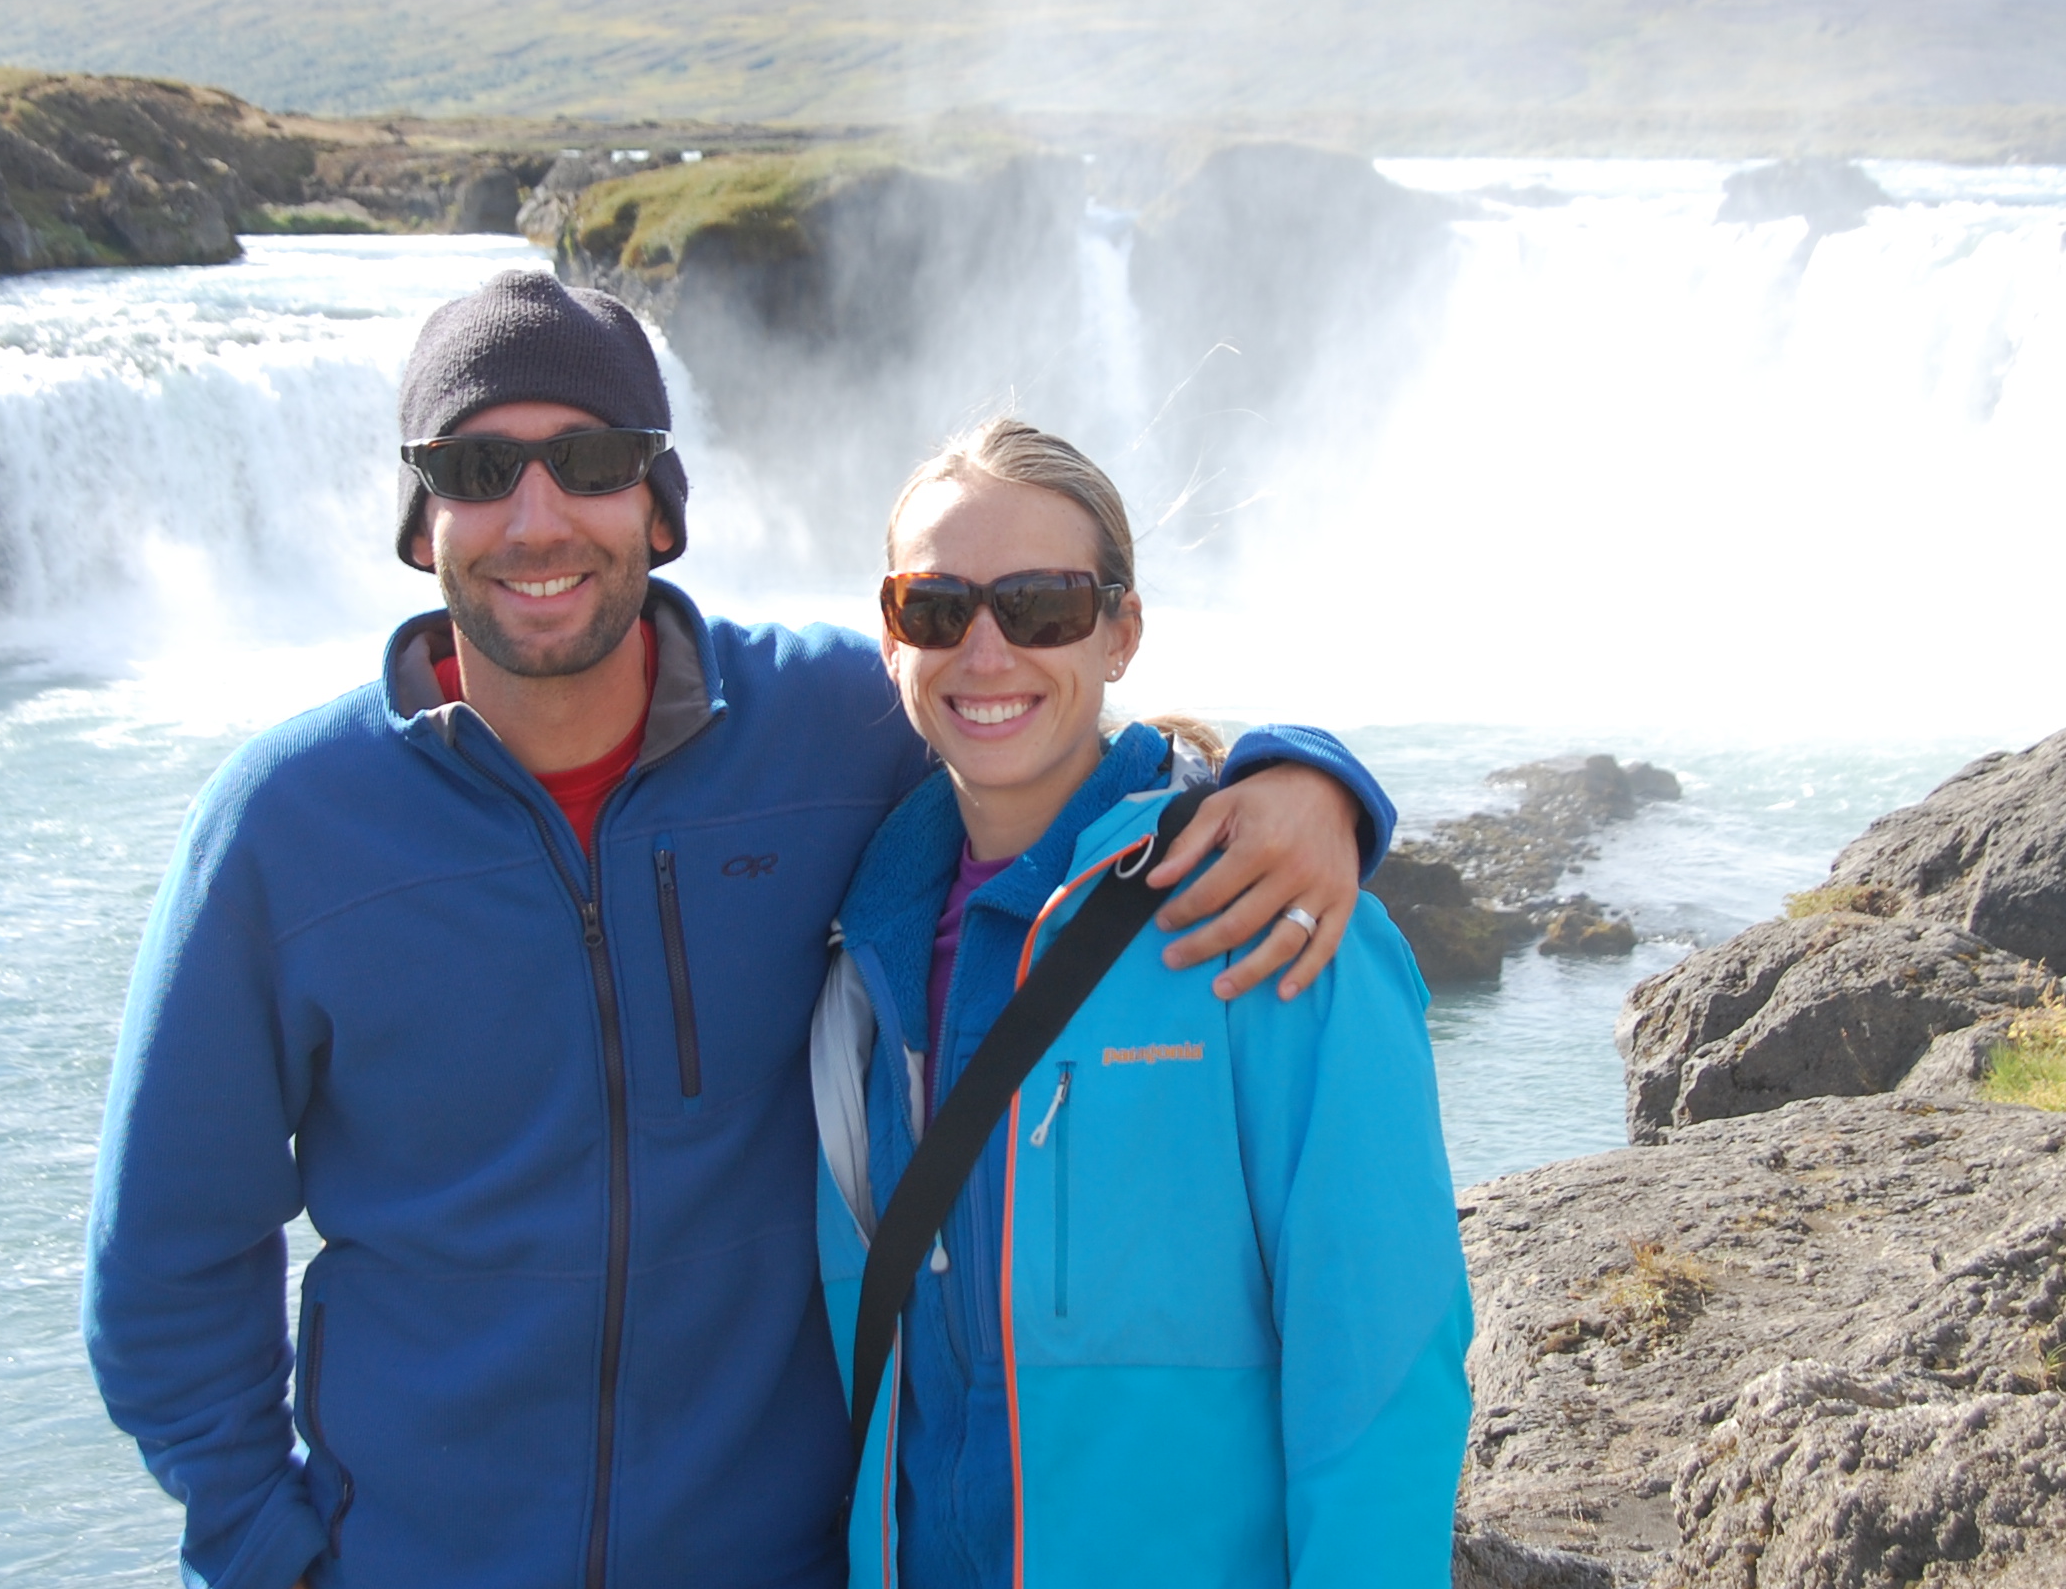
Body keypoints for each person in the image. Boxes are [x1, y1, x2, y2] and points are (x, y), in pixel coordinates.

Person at [82, 271, 1399, 1589]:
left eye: (590, 462)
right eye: (478, 467)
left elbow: (1043, 736)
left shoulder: (827, 729)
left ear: (657, 503)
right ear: (424, 519)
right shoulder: (287, 829)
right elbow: (165, 1263)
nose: (535, 517)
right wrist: (267, 1552)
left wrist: (1309, 778)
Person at [812, 419, 1470, 1588]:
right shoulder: (852, 949)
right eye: (936, 605)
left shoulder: (1265, 914)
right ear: (888, 634)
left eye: (1044, 605)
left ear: (1120, 632)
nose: (986, 648)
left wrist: (1309, 774)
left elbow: (1380, 1365)